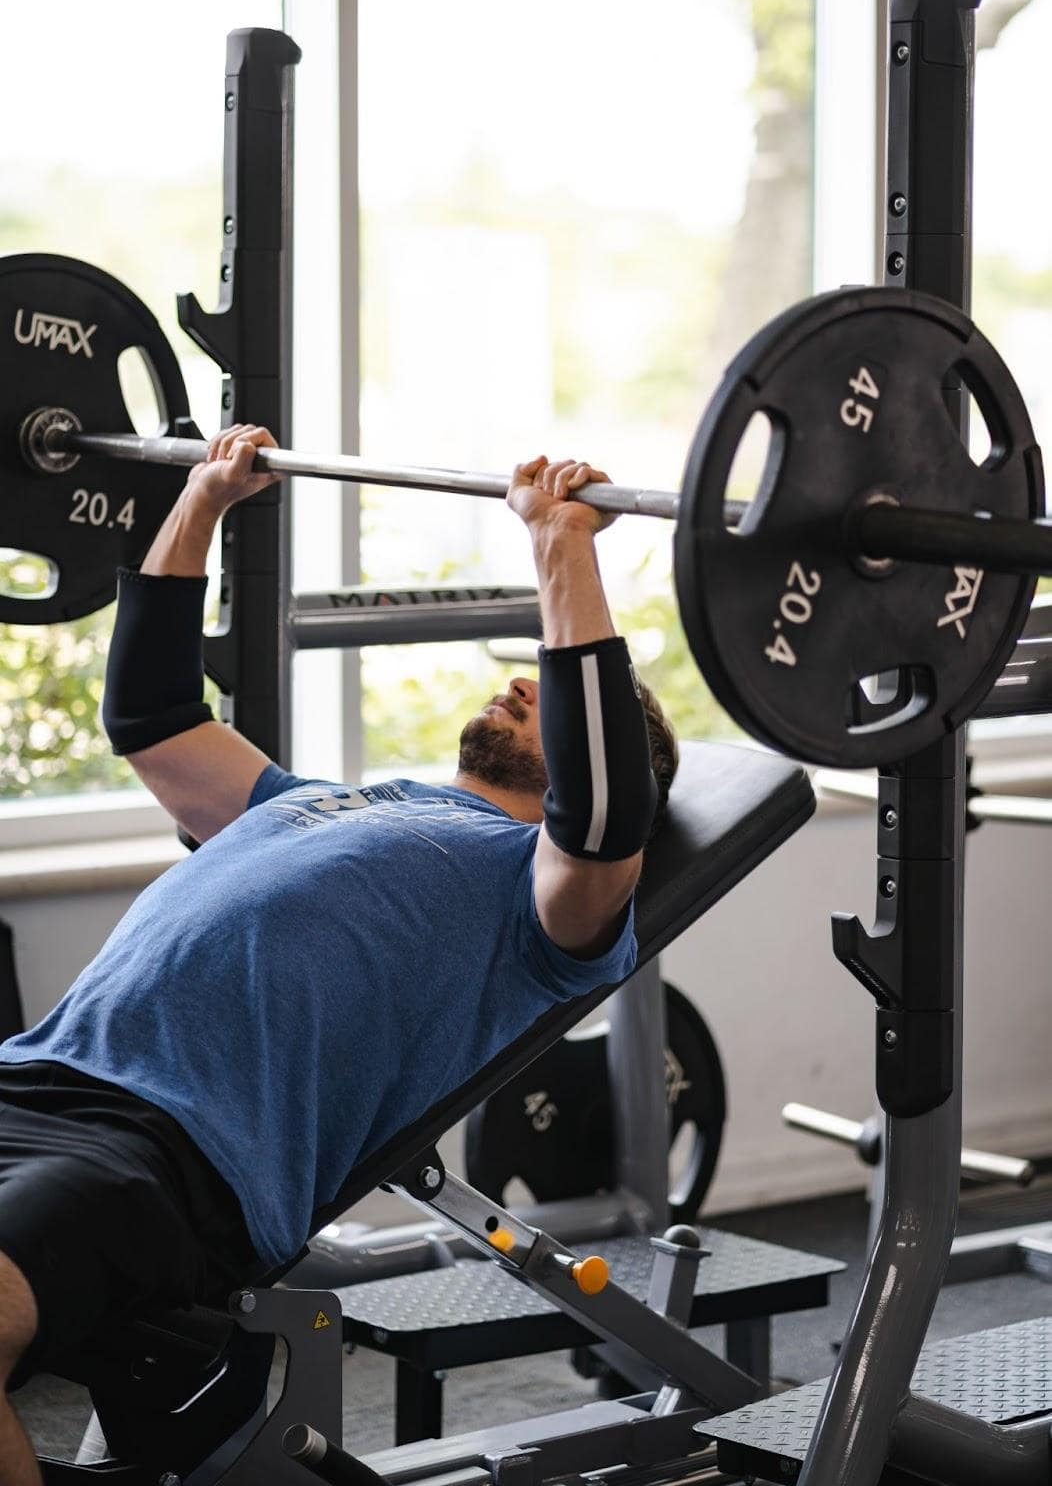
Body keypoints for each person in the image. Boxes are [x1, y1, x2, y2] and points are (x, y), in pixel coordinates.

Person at [0, 427, 678, 1483]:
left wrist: (562, 549)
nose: (519, 685)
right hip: (29, 1077)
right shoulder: (317, 799)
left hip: (169, 1159)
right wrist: (203, 499)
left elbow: (599, 815)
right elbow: (152, 715)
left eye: (552, 695)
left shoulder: (541, 899)